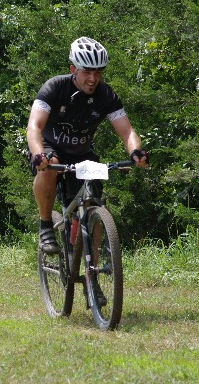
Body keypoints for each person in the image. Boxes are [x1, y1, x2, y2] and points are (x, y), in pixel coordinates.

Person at [26, 37, 149, 303]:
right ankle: (46, 224)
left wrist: (135, 152)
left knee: (93, 201)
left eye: (98, 72)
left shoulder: (106, 95)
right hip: (48, 148)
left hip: (82, 154)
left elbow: (126, 131)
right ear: (73, 69)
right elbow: (34, 126)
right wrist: (38, 154)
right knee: (48, 169)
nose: (93, 79)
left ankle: (90, 274)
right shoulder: (54, 88)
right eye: (87, 72)